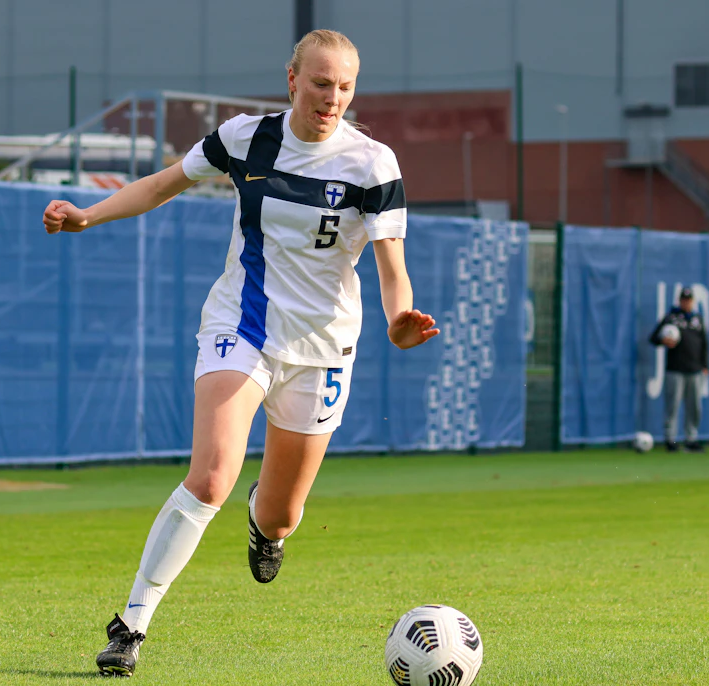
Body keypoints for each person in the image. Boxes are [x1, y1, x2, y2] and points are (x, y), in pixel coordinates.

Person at [42, 29, 439, 677]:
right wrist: (88, 215)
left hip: (323, 349)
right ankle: (132, 625)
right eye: (319, 83)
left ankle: (267, 526)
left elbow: (393, 267)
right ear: (291, 79)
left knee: (282, 512)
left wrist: (400, 320)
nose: (331, 97)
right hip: (243, 327)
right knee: (211, 476)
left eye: (344, 87)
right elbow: (163, 183)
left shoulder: (373, 165)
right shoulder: (244, 139)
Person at [649, 287, 708, 453]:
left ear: (693, 301)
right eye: (684, 300)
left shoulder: (697, 319)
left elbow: (704, 344)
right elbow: (653, 338)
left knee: (694, 406)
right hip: (675, 369)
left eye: (689, 300)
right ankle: (671, 440)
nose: (686, 303)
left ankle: (691, 439)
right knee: (673, 406)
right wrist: (664, 340)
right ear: (679, 300)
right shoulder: (671, 318)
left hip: (695, 369)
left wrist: (705, 365)